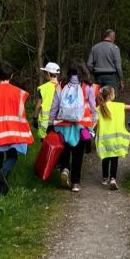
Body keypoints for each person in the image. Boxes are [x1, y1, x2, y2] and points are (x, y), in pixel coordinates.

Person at [0, 61, 34, 194]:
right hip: (13, 131)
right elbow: (21, 114)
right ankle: (4, 173)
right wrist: (25, 131)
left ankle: (0, 185)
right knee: (13, 157)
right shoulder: (20, 93)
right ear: (11, 75)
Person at [48, 59, 97, 193]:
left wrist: (50, 122)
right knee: (78, 155)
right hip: (81, 126)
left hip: (63, 126)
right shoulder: (88, 87)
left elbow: (54, 107)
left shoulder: (61, 85)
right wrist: (94, 121)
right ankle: (75, 183)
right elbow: (93, 108)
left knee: (65, 150)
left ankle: (65, 168)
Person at [95, 85, 130, 189]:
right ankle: (113, 179)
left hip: (104, 140)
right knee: (114, 159)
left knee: (105, 158)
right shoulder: (118, 106)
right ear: (110, 96)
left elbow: (94, 123)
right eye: (114, 93)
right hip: (116, 139)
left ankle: (105, 178)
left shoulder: (98, 109)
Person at [33, 62, 60, 139]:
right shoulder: (62, 87)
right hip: (59, 122)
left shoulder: (43, 88)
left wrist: (35, 118)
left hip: (45, 124)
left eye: (45, 73)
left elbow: (38, 106)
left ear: (48, 73)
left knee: (46, 147)